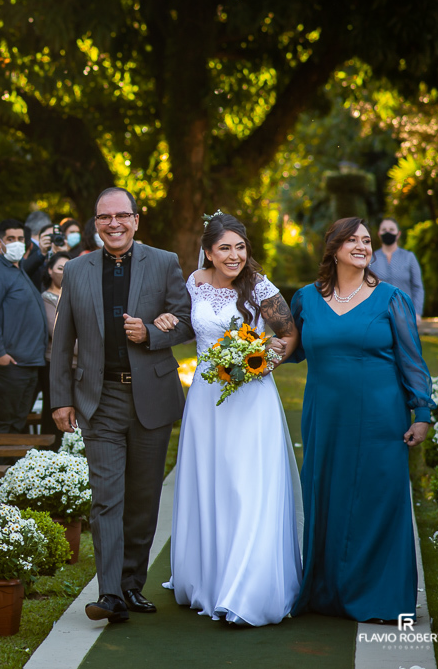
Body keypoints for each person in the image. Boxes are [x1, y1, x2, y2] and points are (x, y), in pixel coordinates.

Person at [49, 187, 193, 623]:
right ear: (96, 224)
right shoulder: (76, 270)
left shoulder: (164, 262)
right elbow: (62, 341)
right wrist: (60, 399)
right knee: (107, 498)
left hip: (150, 395)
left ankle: (132, 585)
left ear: (135, 220)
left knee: (143, 499)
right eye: (104, 217)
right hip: (100, 398)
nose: (113, 224)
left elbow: (186, 321)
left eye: (121, 216)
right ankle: (109, 593)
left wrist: (151, 332)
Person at [152, 213, 302, 626]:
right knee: (211, 484)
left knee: (247, 485)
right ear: (208, 252)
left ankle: (248, 587)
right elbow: (186, 324)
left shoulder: (260, 287)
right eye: (225, 248)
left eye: (240, 247)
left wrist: (257, 363)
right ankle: (208, 579)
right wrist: (166, 321)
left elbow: (287, 336)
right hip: (205, 398)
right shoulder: (194, 282)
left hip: (250, 398)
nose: (234, 255)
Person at [287, 217, 431, 623]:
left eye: (366, 240)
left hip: (380, 418)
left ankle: (381, 599)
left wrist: (421, 411)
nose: (362, 246)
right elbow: (291, 347)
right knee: (326, 495)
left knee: (377, 498)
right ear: (332, 248)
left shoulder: (391, 299)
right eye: (352, 239)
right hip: (326, 417)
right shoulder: (306, 299)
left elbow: (412, 359)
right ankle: (325, 592)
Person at [0, 219, 49, 433]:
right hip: (7, 366)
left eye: (20, 239)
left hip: (26, 364)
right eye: (10, 239)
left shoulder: (16, 269)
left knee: (15, 426)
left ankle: (10, 467)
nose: (16, 243)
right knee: (0, 427)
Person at [38, 251, 71, 449]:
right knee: (56, 417)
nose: (65, 273)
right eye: (60, 268)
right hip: (55, 366)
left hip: (79, 366)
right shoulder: (47, 299)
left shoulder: (77, 295)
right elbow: (58, 332)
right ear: (50, 271)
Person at [371, 217, 425, 320]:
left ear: (398, 234)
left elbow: (417, 287)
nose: (388, 232)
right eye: (384, 230)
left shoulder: (409, 257)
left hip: (405, 314)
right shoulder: (372, 259)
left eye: (391, 230)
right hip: (379, 315)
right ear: (379, 234)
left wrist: (417, 312)